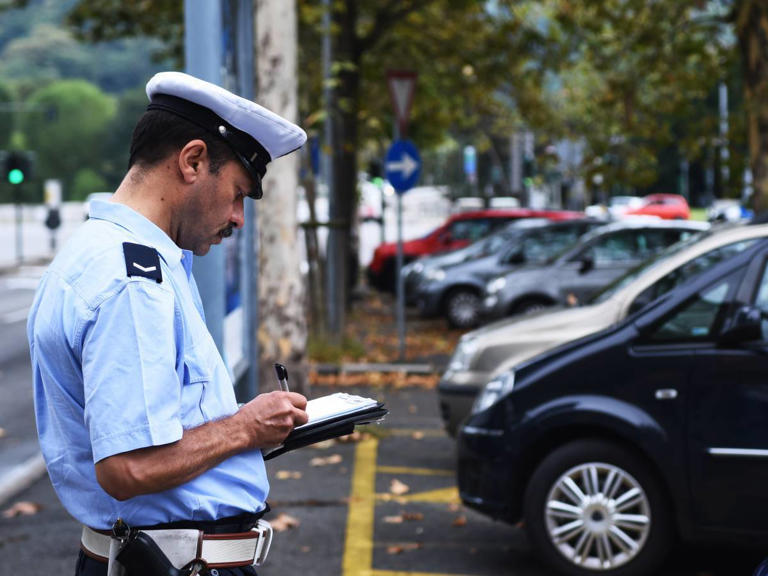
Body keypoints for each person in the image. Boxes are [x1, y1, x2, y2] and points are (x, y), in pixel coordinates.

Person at [27, 71, 309, 576]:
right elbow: (128, 466)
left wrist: (245, 425)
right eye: (238, 193)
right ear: (193, 161)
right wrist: (245, 427)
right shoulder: (132, 279)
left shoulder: (99, 253)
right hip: (177, 565)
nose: (238, 217)